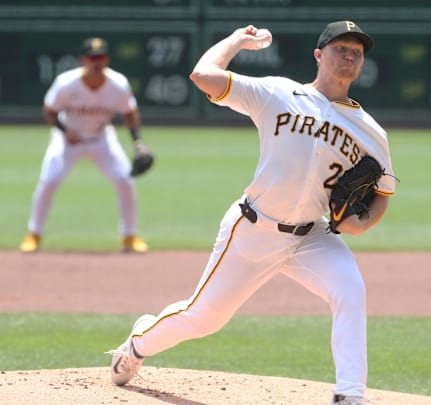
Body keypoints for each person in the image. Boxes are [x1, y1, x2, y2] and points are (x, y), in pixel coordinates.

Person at [106, 21, 395, 405]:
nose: (349, 56)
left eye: (356, 52)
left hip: (313, 235)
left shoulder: (370, 131)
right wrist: (238, 40)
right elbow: (203, 75)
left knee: (350, 290)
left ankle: (350, 395)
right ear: (319, 55)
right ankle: (136, 346)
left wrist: (362, 224)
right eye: (340, 48)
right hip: (254, 229)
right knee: (203, 318)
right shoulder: (278, 93)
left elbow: (383, 192)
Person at [19, 37, 150, 253]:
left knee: (125, 181)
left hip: (101, 140)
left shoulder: (118, 84)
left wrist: (138, 142)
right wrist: (64, 130)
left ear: (106, 59)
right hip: (67, 142)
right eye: (92, 57)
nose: (97, 62)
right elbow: (49, 111)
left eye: (101, 57)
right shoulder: (66, 82)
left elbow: (130, 113)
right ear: (83, 60)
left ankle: (129, 236)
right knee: (49, 181)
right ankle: (34, 234)